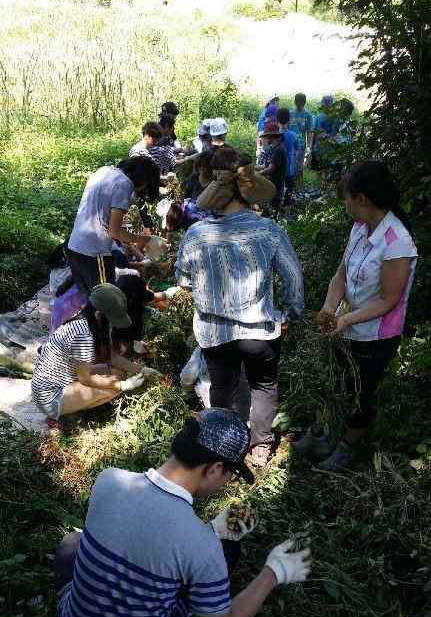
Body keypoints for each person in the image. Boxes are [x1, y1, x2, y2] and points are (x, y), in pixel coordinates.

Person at [54, 408, 311, 617]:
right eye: (229, 475)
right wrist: (273, 572)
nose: (226, 483)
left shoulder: (108, 480)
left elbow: (143, 531)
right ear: (215, 469)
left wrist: (212, 530)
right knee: (225, 554)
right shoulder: (202, 547)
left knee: (72, 543)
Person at [176, 147, 304, 467]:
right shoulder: (269, 230)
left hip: (213, 330)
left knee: (223, 387)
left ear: (214, 187)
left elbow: (183, 282)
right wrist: (291, 313)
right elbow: (294, 280)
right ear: (249, 187)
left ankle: (225, 445)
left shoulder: (196, 233)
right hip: (259, 331)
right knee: (264, 385)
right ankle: (260, 445)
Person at [294, 160, 418, 470]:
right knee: (335, 382)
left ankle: (347, 446)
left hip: (374, 335)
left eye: (347, 198)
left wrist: (346, 319)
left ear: (361, 199)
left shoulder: (397, 243)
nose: (345, 204)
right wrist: (328, 309)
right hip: (344, 325)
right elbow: (341, 275)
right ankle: (323, 432)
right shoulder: (361, 228)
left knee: (360, 390)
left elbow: (389, 301)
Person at [31, 283, 162, 429]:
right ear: (99, 314)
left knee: (117, 373)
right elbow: (85, 379)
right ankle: (65, 415)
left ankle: (75, 407)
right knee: (114, 386)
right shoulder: (84, 335)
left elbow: (111, 357)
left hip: (65, 380)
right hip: (50, 397)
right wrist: (123, 385)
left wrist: (142, 369)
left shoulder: (87, 320)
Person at [67, 157, 160, 295]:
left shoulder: (103, 171)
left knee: (92, 299)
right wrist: (147, 239)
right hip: (94, 253)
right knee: (107, 301)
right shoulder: (125, 184)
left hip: (74, 247)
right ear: (144, 180)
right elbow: (114, 231)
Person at [256, 121, 288, 211]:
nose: (265, 139)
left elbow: (270, 169)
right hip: (273, 185)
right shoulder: (274, 148)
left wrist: (257, 175)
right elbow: (265, 166)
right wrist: (252, 167)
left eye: (266, 137)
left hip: (276, 186)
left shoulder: (279, 150)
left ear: (271, 136)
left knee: (274, 209)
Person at [277, 108, 299, 215]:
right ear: (289, 120)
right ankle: (287, 214)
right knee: (289, 191)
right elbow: (297, 150)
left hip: (276, 170)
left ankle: (276, 213)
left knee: (277, 191)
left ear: (277, 120)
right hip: (289, 169)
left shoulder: (275, 135)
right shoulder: (294, 135)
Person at [289, 93, 314, 182]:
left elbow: (310, 132)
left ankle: (299, 184)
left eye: (302, 104)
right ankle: (290, 184)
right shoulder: (290, 113)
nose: (300, 106)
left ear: (304, 103)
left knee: (299, 166)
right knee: (290, 165)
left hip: (301, 145)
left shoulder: (308, 115)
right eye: (298, 104)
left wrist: (308, 146)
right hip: (290, 144)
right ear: (295, 102)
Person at [310, 95, 339, 170]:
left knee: (320, 170)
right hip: (326, 150)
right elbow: (335, 134)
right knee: (326, 170)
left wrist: (312, 147)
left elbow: (314, 133)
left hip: (322, 149)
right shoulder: (336, 118)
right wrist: (312, 147)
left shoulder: (319, 117)